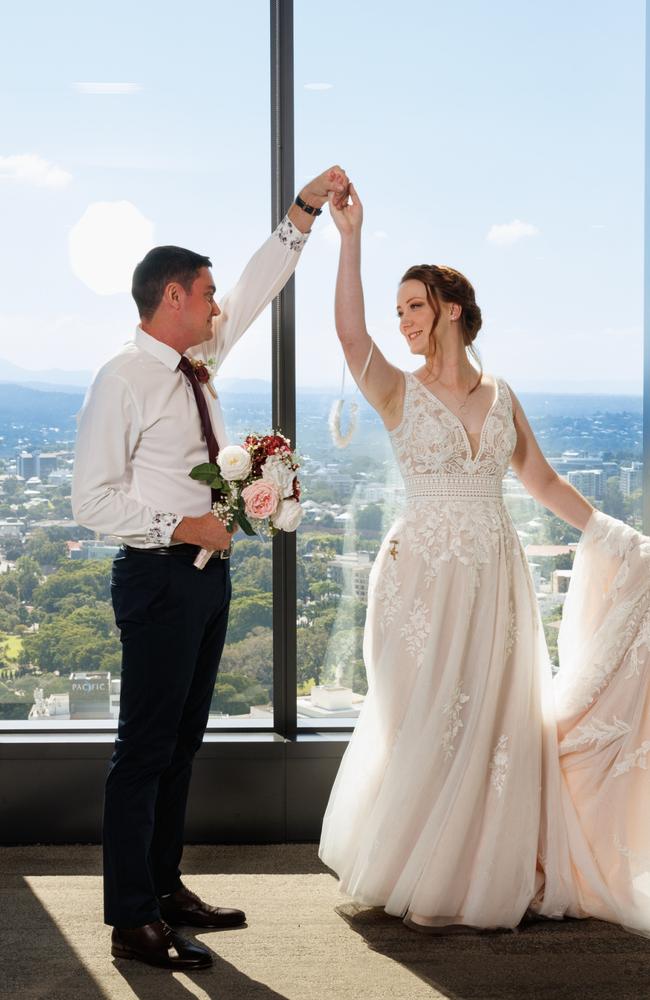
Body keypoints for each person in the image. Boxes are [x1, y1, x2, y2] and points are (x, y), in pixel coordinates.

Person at [318, 182, 650, 936]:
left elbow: (540, 480)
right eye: (398, 309)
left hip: (497, 576)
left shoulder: (501, 395)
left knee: (496, 720)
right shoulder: (397, 392)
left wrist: (617, 536)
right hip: (420, 581)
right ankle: (421, 867)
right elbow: (346, 336)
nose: (400, 321)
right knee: (427, 718)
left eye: (413, 307)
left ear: (452, 311)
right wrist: (350, 238)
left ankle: (480, 871)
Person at [72, 165, 350, 971]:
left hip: (203, 578)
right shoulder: (121, 380)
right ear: (172, 300)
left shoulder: (197, 361)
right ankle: (132, 921)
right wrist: (181, 521)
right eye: (207, 292)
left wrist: (302, 213)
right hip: (157, 578)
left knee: (182, 744)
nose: (219, 304)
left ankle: (165, 889)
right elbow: (91, 501)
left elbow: (259, 288)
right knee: (143, 752)